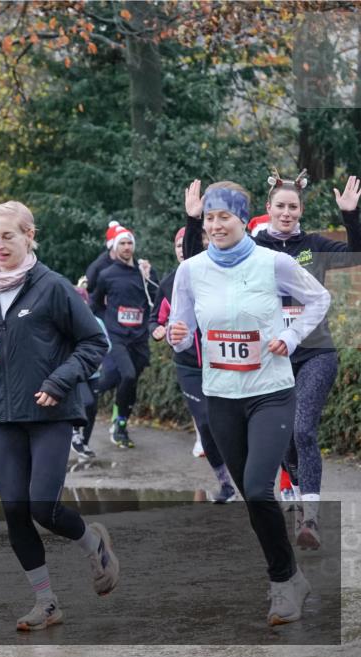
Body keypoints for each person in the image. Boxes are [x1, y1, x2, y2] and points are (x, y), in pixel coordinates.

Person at [0, 200, 116, 632]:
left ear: (29, 236)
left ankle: (93, 544)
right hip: (4, 416)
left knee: (43, 506)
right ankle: (46, 603)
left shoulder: (53, 287)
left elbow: (95, 343)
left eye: (8, 236)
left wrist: (60, 381)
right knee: (14, 509)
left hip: (50, 413)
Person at [169, 180, 330, 625]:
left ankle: (281, 585)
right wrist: (178, 336)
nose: (216, 225)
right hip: (221, 396)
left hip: (270, 393)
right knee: (253, 499)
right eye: (210, 218)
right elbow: (182, 330)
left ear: (242, 218)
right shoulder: (191, 271)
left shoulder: (272, 262)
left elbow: (319, 298)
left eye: (224, 216)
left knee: (259, 488)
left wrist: (291, 337)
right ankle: (291, 576)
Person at [184, 173, 360, 548]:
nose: (286, 212)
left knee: (303, 430)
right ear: (267, 209)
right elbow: (198, 263)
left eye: (293, 207)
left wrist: (350, 215)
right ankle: (293, 491)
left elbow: (355, 255)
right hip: (270, 358)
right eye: (280, 206)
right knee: (284, 440)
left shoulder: (313, 245)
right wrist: (195, 220)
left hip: (313, 351)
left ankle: (310, 517)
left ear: (301, 211)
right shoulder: (254, 246)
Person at [149, 227, 236, 503]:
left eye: (192, 243)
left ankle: (248, 479)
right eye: (178, 245)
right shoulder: (169, 282)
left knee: (231, 422)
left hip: (223, 360)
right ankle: (225, 483)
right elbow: (156, 317)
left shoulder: (221, 274)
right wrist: (157, 330)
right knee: (206, 423)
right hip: (189, 367)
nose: (183, 249)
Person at [90, 223, 158, 448]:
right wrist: (103, 324)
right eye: (122, 243)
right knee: (127, 375)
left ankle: (120, 424)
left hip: (139, 337)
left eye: (130, 243)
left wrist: (148, 278)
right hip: (117, 336)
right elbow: (95, 304)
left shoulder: (144, 271)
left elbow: (157, 299)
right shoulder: (107, 275)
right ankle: (88, 403)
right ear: (114, 247)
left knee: (130, 382)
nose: (127, 247)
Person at [69, 285, 110, 461]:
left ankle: (85, 442)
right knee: (86, 401)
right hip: (77, 372)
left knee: (92, 409)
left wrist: (94, 356)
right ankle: (74, 432)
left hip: (94, 373)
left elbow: (107, 345)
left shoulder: (97, 322)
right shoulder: (66, 323)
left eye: (83, 302)